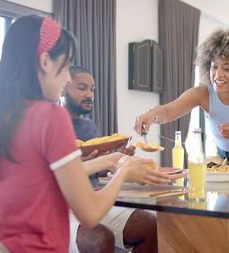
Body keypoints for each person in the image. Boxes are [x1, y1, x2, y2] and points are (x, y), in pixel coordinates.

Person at [0, 15, 169, 253]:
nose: (65, 79)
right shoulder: (50, 116)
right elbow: (91, 213)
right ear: (45, 62)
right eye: (64, 67)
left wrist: (108, 160)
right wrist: (124, 171)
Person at [134, 29, 229, 166]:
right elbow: (168, 111)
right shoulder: (203, 93)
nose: (218, 74)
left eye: (227, 69)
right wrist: (151, 115)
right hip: (223, 160)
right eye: (214, 67)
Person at [64, 65, 158, 253]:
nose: (89, 94)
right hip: (61, 208)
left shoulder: (89, 127)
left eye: (92, 89)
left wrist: (116, 158)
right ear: (63, 87)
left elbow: (99, 173)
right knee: (100, 239)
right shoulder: (54, 122)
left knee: (148, 224)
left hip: (89, 200)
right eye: (82, 88)